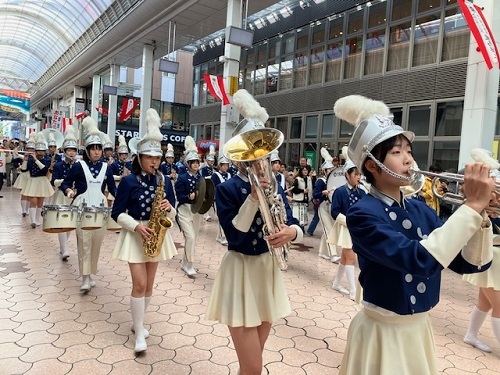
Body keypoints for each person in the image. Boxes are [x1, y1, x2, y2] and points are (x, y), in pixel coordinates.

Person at [334, 95, 493, 374]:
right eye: (396, 153)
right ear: (371, 165)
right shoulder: (362, 213)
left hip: (418, 328)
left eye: (408, 150)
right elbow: (419, 260)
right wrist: (471, 206)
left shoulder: (419, 209)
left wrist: (480, 217)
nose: (408, 159)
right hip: (381, 331)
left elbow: (467, 263)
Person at [206, 88, 303, 375]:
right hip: (240, 272)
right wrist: (253, 196)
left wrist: (292, 233)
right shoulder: (227, 189)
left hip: (266, 270)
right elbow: (234, 236)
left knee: (251, 365)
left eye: (265, 153)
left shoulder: (273, 184)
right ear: (238, 157)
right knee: (254, 368)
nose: (261, 160)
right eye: (253, 153)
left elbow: (290, 219)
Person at [111, 108, 177, 353]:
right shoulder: (128, 181)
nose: (154, 162)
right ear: (139, 158)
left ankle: (138, 323)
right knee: (139, 285)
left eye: (157, 158)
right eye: (149, 157)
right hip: (136, 234)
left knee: (149, 287)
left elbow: (173, 213)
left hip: (157, 236)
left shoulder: (164, 181)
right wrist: (136, 226)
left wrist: (170, 208)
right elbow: (116, 213)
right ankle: (139, 332)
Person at [60, 117, 117, 292]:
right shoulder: (79, 166)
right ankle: (84, 278)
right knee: (84, 243)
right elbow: (65, 183)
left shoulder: (106, 168)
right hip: (82, 209)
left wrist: (123, 203)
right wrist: (69, 191)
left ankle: (90, 274)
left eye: (99, 149)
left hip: (100, 209)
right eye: (93, 149)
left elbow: (113, 189)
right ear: (87, 150)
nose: (97, 152)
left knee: (96, 244)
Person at [329, 160, 366, 300]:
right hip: (345, 229)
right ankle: (353, 291)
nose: (358, 177)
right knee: (351, 257)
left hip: (356, 229)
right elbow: (334, 211)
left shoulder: (362, 193)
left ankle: (337, 283)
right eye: (355, 174)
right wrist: (348, 221)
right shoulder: (339, 192)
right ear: (347, 175)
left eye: (360, 174)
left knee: (345, 257)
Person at [175, 136, 202, 276]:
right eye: (193, 162)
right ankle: (189, 264)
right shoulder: (182, 178)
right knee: (190, 237)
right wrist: (188, 196)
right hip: (184, 210)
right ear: (188, 164)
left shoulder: (200, 178)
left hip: (196, 211)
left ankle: (185, 263)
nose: (196, 164)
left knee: (193, 237)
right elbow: (179, 197)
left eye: (197, 162)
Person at [50, 125, 79, 261]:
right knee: (62, 222)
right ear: (64, 151)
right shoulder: (58, 165)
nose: (72, 152)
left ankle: (63, 247)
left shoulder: (78, 165)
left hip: (73, 197)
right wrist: (64, 181)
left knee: (70, 224)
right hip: (61, 196)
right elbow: (54, 182)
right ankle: (65, 249)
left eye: (74, 150)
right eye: (69, 150)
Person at [22, 132, 54, 228]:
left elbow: (44, 170)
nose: (40, 152)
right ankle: (33, 221)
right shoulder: (30, 159)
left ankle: (37, 219)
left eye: (42, 151)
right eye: (38, 151)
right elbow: (24, 169)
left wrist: (36, 160)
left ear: (45, 151)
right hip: (33, 181)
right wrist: (25, 159)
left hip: (42, 181)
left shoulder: (47, 159)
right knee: (33, 201)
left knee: (40, 202)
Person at [315, 147, 339, 262]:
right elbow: (315, 195)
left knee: (328, 230)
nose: (331, 171)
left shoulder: (334, 181)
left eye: (331, 169)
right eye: (329, 169)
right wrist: (323, 193)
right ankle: (333, 255)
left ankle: (321, 252)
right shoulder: (321, 181)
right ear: (324, 171)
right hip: (323, 207)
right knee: (329, 230)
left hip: (331, 207)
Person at [13, 133, 35, 216]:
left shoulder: (36, 157)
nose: (30, 150)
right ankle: (23, 211)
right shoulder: (24, 156)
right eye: (29, 148)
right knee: (23, 194)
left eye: (32, 149)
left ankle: (28, 210)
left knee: (30, 194)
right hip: (24, 176)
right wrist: (17, 153)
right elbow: (19, 157)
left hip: (32, 176)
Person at [212, 154, 232, 246]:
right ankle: (223, 237)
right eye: (224, 165)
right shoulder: (215, 175)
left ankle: (220, 236)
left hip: (228, 199)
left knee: (227, 217)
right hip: (218, 199)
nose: (226, 167)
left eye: (227, 165)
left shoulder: (229, 175)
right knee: (221, 217)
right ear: (220, 166)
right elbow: (212, 187)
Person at [291, 165, 313, 231]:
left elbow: (312, 186)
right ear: (301, 171)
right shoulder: (298, 179)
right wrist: (302, 191)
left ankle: (302, 228)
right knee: (298, 215)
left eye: (306, 170)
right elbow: (294, 190)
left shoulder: (309, 178)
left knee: (304, 215)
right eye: (303, 170)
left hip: (306, 199)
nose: (305, 172)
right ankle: (298, 229)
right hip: (298, 199)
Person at [200, 145, 216, 222]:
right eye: (210, 161)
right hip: (206, 184)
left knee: (211, 200)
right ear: (207, 161)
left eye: (212, 161)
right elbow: (203, 177)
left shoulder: (214, 169)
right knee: (206, 199)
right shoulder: (204, 169)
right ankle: (206, 215)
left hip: (212, 186)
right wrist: (211, 176)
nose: (211, 162)